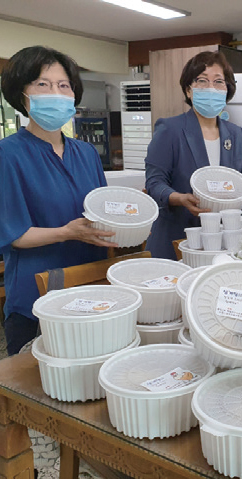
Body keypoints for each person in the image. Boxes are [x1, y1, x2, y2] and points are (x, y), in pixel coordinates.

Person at [0, 46, 115, 356]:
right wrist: (67, 232)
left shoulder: (86, 153)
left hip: (91, 287)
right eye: (42, 84)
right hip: (36, 296)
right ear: (21, 94)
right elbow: (15, 234)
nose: (56, 92)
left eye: (63, 85)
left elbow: (104, 210)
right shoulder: (8, 154)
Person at [145, 51, 242, 260]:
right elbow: (154, 182)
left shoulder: (236, 134)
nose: (211, 88)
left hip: (222, 239)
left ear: (227, 90)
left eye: (218, 82)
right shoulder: (170, 129)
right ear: (189, 90)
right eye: (202, 81)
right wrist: (179, 198)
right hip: (176, 238)